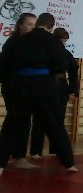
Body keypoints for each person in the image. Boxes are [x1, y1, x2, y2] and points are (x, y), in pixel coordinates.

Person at [0, 13, 78, 175]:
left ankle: (0, 164)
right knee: (54, 124)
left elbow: (6, 62)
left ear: (37, 24)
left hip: (19, 86)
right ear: (50, 27)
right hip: (43, 85)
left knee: (12, 125)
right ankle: (69, 163)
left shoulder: (20, 40)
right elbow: (61, 64)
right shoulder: (52, 40)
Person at [28, 27, 80, 159]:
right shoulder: (44, 53)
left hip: (60, 88)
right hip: (44, 85)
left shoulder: (66, 54)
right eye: (61, 41)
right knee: (39, 119)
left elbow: (73, 72)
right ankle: (36, 151)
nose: (62, 44)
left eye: (65, 42)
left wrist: (73, 89)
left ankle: (55, 150)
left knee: (58, 119)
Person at [0, 12, 37, 169]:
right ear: (20, 25)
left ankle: (18, 156)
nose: (32, 27)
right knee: (15, 120)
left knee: (23, 120)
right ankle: (10, 157)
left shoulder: (29, 43)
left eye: (34, 25)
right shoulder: (13, 42)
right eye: (29, 24)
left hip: (24, 87)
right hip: (13, 87)